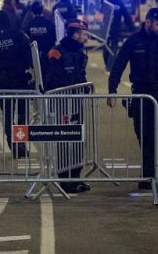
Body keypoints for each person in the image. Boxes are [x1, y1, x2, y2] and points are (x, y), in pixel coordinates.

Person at [108, 8, 158, 189]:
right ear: (148, 22)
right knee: (142, 132)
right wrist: (112, 90)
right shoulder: (134, 41)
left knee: (156, 134)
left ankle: (149, 175)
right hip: (140, 95)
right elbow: (118, 65)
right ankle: (150, 172)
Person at [44, 20, 90, 193]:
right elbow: (53, 79)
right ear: (75, 34)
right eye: (84, 34)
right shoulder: (56, 52)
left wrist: (84, 87)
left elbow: (81, 74)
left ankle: (76, 177)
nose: (86, 38)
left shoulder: (80, 52)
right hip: (62, 103)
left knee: (78, 139)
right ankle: (65, 180)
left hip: (76, 102)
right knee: (64, 140)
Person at [0, 10, 32, 158]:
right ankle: (21, 143)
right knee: (21, 114)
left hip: (3, 80)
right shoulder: (17, 34)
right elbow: (28, 55)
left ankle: (12, 144)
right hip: (20, 78)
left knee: (7, 115)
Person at [103, 0, 135, 70]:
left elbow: (102, 15)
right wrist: (132, 28)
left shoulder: (108, 3)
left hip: (106, 28)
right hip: (115, 29)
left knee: (106, 46)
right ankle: (110, 67)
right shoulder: (120, 4)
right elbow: (127, 17)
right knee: (114, 47)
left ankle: (107, 63)